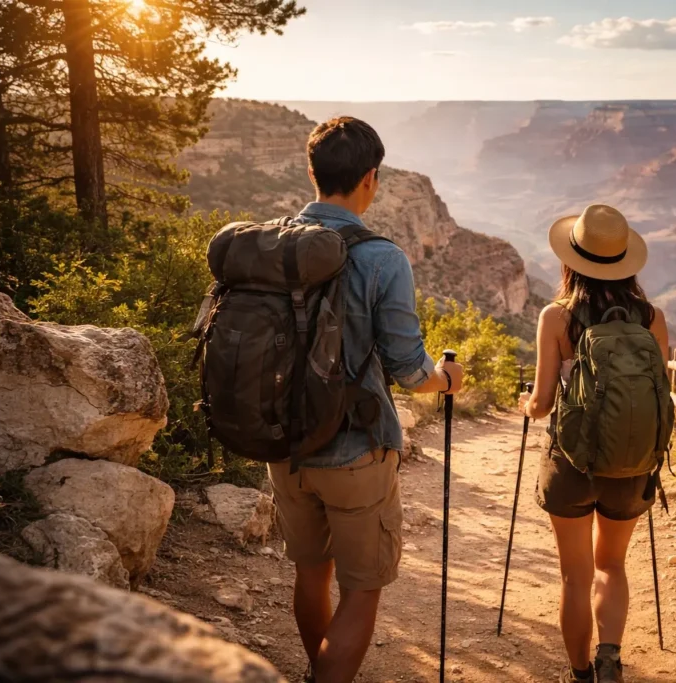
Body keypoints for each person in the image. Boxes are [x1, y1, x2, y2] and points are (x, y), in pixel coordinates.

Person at [267, 116, 463, 683]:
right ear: (371, 178)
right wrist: (447, 379)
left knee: (310, 574)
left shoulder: (272, 243)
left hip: (284, 445)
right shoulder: (383, 259)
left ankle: (318, 669)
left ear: (312, 172)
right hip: (355, 449)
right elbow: (408, 370)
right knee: (361, 590)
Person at [520, 205, 669, 683]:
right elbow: (658, 394)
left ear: (571, 259)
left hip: (570, 465)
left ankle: (581, 674)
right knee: (612, 567)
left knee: (575, 576)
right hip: (630, 467)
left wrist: (527, 405)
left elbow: (543, 403)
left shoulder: (555, 317)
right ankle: (610, 656)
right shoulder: (651, 317)